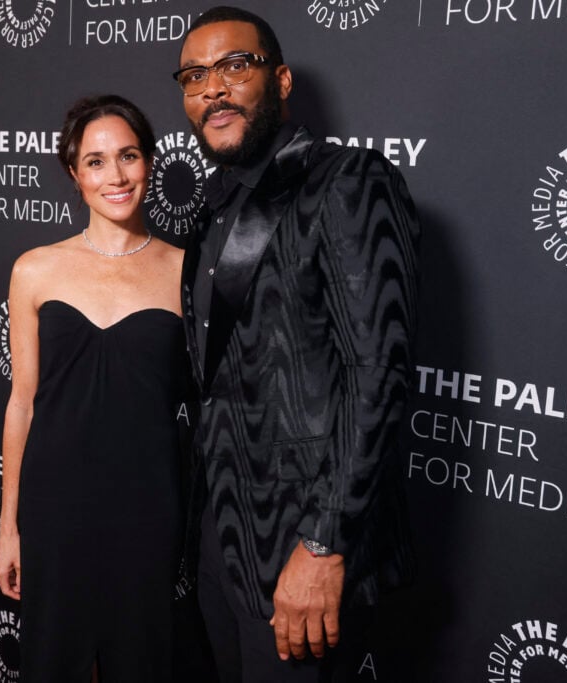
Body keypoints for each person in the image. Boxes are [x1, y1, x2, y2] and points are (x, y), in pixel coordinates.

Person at [174, 7, 420, 681]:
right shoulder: (211, 208)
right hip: (222, 540)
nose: (213, 89)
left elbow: (383, 375)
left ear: (279, 80)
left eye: (234, 66)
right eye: (195, 76)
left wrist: (324, 543)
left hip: (304, 545)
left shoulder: (348, 181)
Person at [0, 94, 187, 683]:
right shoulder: (36, 268)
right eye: (97, 161)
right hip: (56, 508)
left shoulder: (186, 270)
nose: (117, 176)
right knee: (54, 666)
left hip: (149, 507)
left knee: (143, 665)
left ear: (149, 162)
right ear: (74, 174)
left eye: (128, 156)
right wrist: (9, 529)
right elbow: (22, 402)